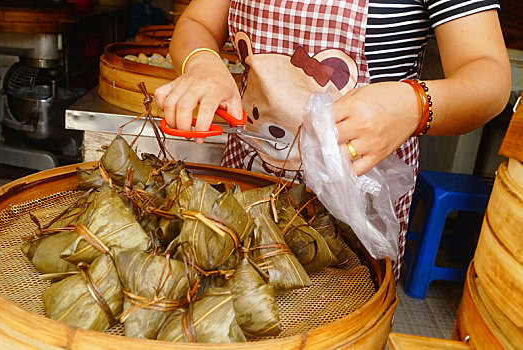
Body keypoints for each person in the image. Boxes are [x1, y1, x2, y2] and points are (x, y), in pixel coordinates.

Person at [154, 0, 511, 279]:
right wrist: (202, 63)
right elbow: (197, 22)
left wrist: (415, 104)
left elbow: (489, 77)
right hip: (245, 182)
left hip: (355, 203)